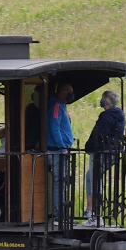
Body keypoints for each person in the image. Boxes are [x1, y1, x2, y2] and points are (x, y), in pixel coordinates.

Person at [82, 89, 125, 225]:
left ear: (105, 102)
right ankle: (90, 209)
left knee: (95, 179)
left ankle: (95, 214)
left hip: (100, 152)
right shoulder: (119, 115)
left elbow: (98, 135)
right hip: (111, 151)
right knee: (91, 176)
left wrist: (89, 146)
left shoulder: (106, 116)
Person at [46, 82, 75, 223]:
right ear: (61, 93)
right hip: (57, 151)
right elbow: (54, 127)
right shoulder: (56, 106)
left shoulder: (61, 106)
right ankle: (59, 216)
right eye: (68, 92)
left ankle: (61, 215)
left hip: (60, 150)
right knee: (60, 182)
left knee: (62, 182)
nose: (71, 94)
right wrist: (62, 147)